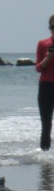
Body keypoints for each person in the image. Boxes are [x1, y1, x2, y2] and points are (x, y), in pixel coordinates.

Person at [35, 14, 54, 151]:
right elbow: (38, 68)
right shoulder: (43, 43)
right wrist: (48, 58)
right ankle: (45, 155)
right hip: (46, 85)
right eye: (53, 27)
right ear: (49, 27)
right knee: (46, 122)